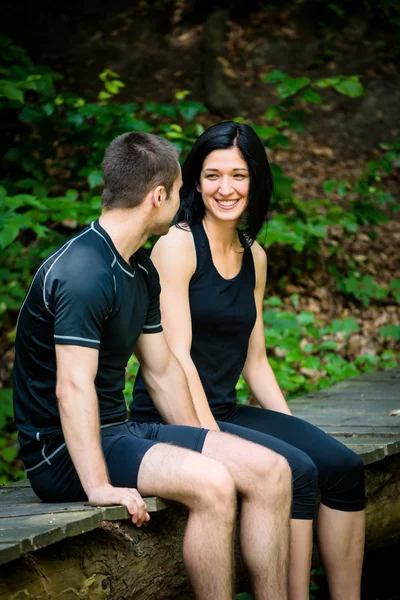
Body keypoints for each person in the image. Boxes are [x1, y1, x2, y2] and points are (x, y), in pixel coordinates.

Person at [13, 131, 293, 600]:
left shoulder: (139, 268)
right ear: (157, 196)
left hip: (116, 430)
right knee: (214, 485)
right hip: (63, 453)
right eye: (182, 189)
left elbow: (163, 373)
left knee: (272, 472)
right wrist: (99, 485)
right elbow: (72, 389)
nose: (188, 200)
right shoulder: (83, 272)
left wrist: (200, 442)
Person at [130, 122, 366, 600]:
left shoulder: (252, 254)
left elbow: (254, 362)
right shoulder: (176, 247)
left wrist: (290, 426)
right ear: (195, 181)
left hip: (226, 407)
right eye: (213, 175)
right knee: (296, 469)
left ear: (254, 180)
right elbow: (177, 361)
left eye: (238, 176)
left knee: (342, 466)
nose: (226, 188)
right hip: (172, 417)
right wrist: (212, 440)